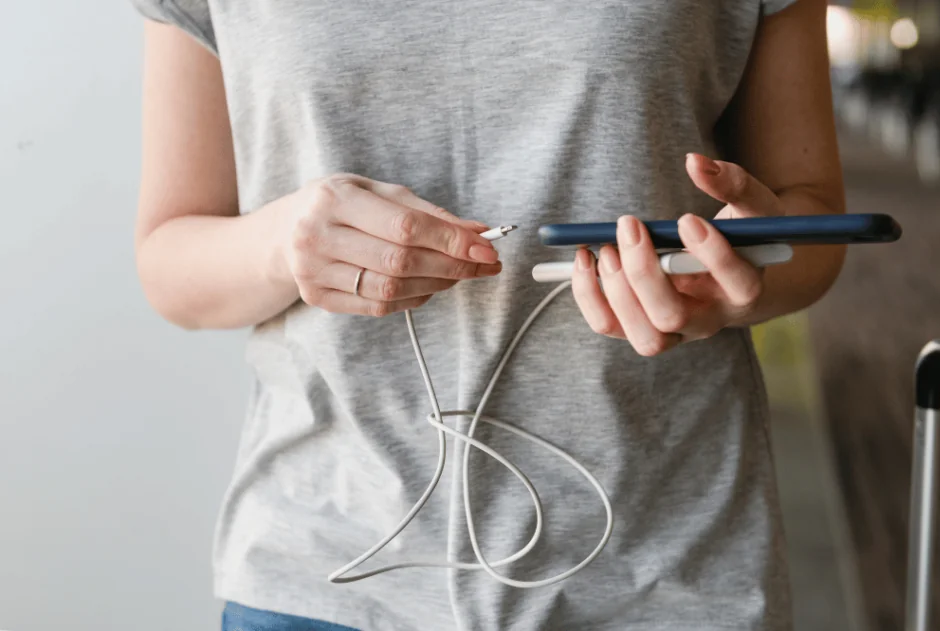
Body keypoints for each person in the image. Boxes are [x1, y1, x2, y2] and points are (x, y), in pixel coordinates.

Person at [128, 0, 845, 628]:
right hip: (325, 574)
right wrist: (284, 245)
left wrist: (728, 283)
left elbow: (810, 219)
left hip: (662, 576)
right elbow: (169, 261)